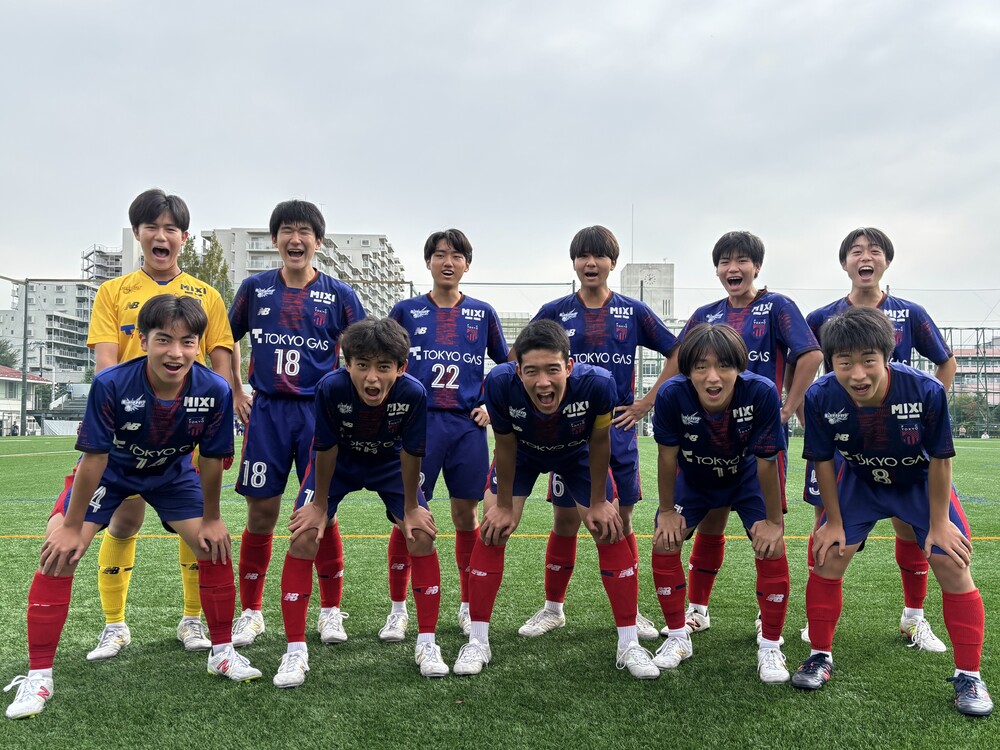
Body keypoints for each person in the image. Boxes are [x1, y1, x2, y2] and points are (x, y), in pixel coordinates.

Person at [4, 296, 259, 720]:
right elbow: (94, 459)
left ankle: (222, 652)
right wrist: (71, 525)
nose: (175, 353)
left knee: (213, 546)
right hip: (113, 472)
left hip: (172, 474)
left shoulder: (213, 389)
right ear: (143, 340)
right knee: (59, 551)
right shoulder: (113, 384)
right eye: (163, 340)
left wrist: (213, 519)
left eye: (187, 342)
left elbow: (213, 460)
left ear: (198, 345)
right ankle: (39, 675)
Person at [791, 307, 991, 717]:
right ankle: (819, 655)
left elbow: (940, 460)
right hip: (860, 481)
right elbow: (823, 461)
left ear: (887, 356)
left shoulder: (925, 390)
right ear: (831, 362)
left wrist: (939, 523)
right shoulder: (820, 396)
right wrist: (834, 521)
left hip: (918, 482)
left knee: (952, 562)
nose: (857, 374)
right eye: (845, 363)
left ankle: (969, 676)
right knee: (827, 555)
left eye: (868, 361)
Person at [76, 189, 236, 660]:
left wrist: (219, 420)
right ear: (138, 234)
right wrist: (119, 417)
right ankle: (114, 624)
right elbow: (106, 365)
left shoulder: (207, 296)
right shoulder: (114, 292)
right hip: (127, 427)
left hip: (188, 425)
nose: (161, 236)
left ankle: (192, 619)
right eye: (152, 227)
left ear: (183, 237)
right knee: (125, 520)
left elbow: (221, 363)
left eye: (170, 228)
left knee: (195, 521)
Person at [453, 320, 659, 679]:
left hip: (576, 454)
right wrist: (504, 506)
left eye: (552, 369)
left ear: (569, 366)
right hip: (523, 453)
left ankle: (629, 643)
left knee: (608, 527)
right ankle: (478, 641)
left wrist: (599, 501)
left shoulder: (598, 384)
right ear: (518, 370)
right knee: (492, 529)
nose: (543, 382)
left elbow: (599, 442)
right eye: (531, 371)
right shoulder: (500, 382)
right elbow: (505, 444)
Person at [801, 227, 956, 651]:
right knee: (826, 527)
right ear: (844, 262)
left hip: (902, 442)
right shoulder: (822, 317)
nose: (865, 257)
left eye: (874, 251)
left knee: (910, 528)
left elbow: (945, 362)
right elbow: (803, 367)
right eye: (856, 251)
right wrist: (809, 417)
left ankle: (914, 617)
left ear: (887, 260)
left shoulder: (910, 312)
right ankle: (816, 624)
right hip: (845, 439)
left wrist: (926, 415)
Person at [519, 226, 677, 642]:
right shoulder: (555, 310)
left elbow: (678, 351)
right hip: (566, 431)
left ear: (612, 262)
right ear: (574, 262)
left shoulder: (632, 311)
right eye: (582, 256)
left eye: (599, 256)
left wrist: (646, 402)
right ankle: (553, 608)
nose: (590, 263)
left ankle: (631, 610)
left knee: (621, 520)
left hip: (615, 427)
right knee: (565, 519)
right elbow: (520, 357)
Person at [273, 318, 448, 686]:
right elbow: (324, 447)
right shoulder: (330, 388)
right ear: (346, 363)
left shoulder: (414, 393)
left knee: (421, 535)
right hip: (340, 463)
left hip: (389, 464)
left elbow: (412, 451)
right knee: (304, 535)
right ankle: (295, 650)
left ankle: (427, 643)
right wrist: (320, 506)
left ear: (401, 368)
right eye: (362, 365)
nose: (372, 377)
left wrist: (411, 509)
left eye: (383, 367)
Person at [227, 200, 365, 648]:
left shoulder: (340, 294)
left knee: (322, 512)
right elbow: (225, 338)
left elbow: (364, 351)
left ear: (318, 242)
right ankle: (251, 612)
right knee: (261, 513)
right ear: (274, 239)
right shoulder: (255, 288)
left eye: (305, 231)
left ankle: (330, 611)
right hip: (267, 413)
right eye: (287, 230)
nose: (295, 238)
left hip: (318, 414)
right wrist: (236, 390)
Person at [673, 231, 820, 638]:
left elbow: (811, 354)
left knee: (766, 528)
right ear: (717, 269)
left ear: (757, 266)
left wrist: (787, 407)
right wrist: (653, 402)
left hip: (759, 437)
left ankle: (766, 616)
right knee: (710, 523)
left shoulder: (777, 306)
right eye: (724, 261)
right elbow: (679, 360)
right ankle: (698, 610)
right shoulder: (706, 314)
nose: (732, 268)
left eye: (741, 261)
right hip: (710, 436)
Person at [385, 229, 508, 640]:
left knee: (466, 515)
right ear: (428, 262)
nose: (448, 262)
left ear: (467, 265)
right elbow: (384, 360)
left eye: (456, 256)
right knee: (407, 514)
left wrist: (490, 404)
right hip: (418, 425)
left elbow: (507, 366)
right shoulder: (406, 311)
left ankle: (468, 605)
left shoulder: (482, 313)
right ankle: (398, 609)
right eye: (440, 255)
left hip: (465, 427)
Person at [650, 324, 790, 683]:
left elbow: (767, 462)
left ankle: (770, 645)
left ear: (739, 367)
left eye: (723, 366)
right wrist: (666, 512)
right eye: (701, 367)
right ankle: (678, 636)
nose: (713, 377)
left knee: (772, 547)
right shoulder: (671, 394)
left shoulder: (760, 392)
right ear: (688, 371)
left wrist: (774, 522)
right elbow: (667, 457)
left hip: (746, 479)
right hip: (695, 480)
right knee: (664, 541)